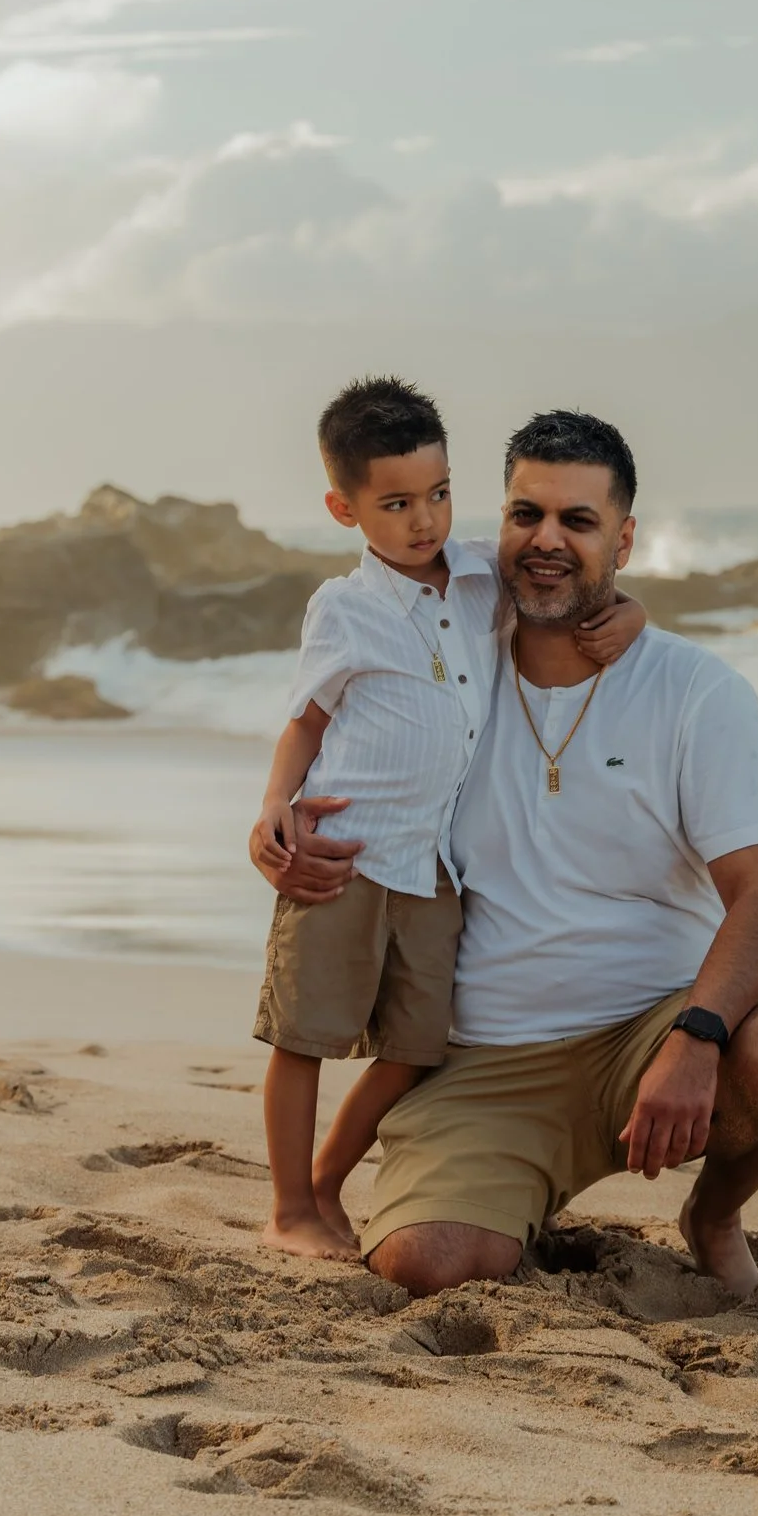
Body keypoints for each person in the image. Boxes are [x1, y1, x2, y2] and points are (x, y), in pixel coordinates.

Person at [257, 409, 758, 1298]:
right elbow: (344, 754)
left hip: (651, 1029)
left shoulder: (697, 691)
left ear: (624, 540)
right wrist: (286, 836)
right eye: (527, 514)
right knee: (426, 1264)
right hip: (488, 1058)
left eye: (579, 521)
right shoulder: (457, 677)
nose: (547, 540)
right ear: (501, 523)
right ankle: (485, 1189)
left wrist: (697, 1035)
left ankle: (712, 1216)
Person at [247, 378, 642, 1260]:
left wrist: (633, 608)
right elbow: (305, 720)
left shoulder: (476, 580)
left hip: (434, 870)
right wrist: (275, 805)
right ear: (343, 509)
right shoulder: (343, 609)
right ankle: (286, 1208)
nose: (423, 520)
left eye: (439, 493)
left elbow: (563, 594)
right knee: (305, 1035)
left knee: (417, 1046)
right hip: (344, 852)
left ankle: (325, 1182)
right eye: (395, 503)